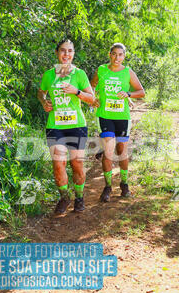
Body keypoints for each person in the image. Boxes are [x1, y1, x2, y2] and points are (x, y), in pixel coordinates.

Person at [37, 39, 94, 215]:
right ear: (57, 53)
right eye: (63, 51)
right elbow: (41, 92)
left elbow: (92, 99)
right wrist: (44, 102)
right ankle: (64, 197)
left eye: (70, 51)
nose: (66, 54)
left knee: (76, 163)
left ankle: (79, 197)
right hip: (55, 125)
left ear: (73, 54)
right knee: (58, 163)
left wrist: (75, 92)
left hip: (76, 125)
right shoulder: (49, 75)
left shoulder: (79, 74)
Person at [90, 43, 145, 202]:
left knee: (121, 150)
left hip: (122, 117)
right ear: (110, 54)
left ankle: (124, 183)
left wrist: (128, 94)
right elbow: (92, 85)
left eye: (120, 55)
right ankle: (107, 187)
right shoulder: (101, 70)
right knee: (108, 150)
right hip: (105, 115)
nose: (117, 58)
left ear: (124, 57)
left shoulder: (128, 72)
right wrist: (93, 99)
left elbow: (141, 92)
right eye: (114, 54)